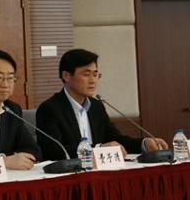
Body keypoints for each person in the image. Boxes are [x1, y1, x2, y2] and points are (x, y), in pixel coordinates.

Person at [35, 48, 168, 160]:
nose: (93, 80)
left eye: (95, 74)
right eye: (86, 74)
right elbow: (54, 151)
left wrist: (144, 144)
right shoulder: (50, 109)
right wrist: (98, 149)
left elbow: (115, 139)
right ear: (66, 76)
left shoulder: (96, 106)